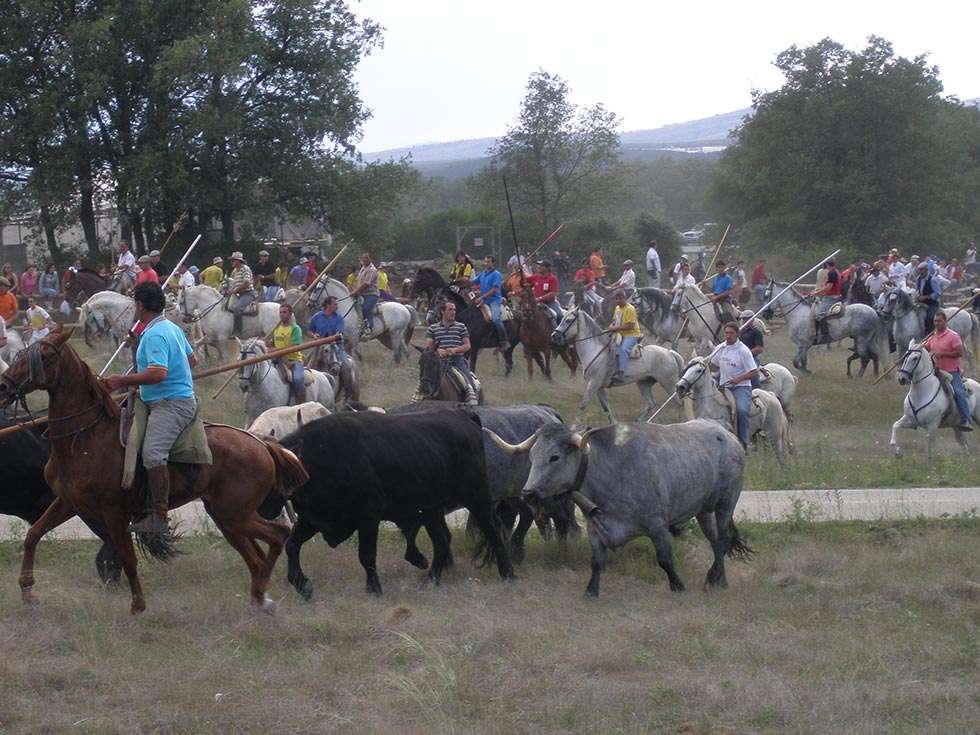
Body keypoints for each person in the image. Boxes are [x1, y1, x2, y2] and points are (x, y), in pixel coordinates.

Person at [102, 282, 197, 535]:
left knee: (153, 453)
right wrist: (137, 345)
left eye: (135, 303)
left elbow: (157, 373)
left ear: (140, 305)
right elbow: (192, 360)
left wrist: (121, 381)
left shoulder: (155, 334)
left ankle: (159, 516)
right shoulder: (168, 328)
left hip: (171, 404)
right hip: (159, 399)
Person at [708, 322, 759, 449]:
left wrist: (738, 379)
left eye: (731, 333)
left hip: (741, 387)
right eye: (726, 333)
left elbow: (754, 372)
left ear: (737, 334)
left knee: (741, 410)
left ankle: (743, 442)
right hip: (723, 387)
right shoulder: (720, 348)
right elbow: (713, 364)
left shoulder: (743, 351)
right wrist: (702, 366)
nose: (728, 336)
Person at [926, 311, 974, 431]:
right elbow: (927, 347)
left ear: (945, 321)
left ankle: (966, 419)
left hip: (951, 371)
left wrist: (942, 354)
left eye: (939, 321)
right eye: (935, 321)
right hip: (936, 370)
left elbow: (959, 352)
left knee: (958, 392)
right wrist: (918, 347)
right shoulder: (933, 336)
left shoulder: (953, 336)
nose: (936, 323)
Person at [424, 300, 477, 405]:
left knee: (469, 383)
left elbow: (467, 345)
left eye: (454, 310)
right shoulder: (433, 328)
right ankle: (417, 401)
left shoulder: (461, 327)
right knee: (425, 380)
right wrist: (438, 351)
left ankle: (472, 405)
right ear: (443, 311)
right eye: (450, 309)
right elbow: (429, 347)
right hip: (439, 361)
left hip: (457, 360)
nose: (453, 312)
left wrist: (455, 350)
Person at [271, 303, 306, 404]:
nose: (282, 314)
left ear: (290, 314)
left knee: (298, 380)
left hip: (294, 361)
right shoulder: (276, 329)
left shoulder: (295, 329)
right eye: (280, 312)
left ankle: (301, 403)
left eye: (284, 312)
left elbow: (294, 347)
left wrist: (276, 350)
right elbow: (272, 343)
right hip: (277, 360)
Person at [472, 255, 506, 345]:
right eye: (485, 261)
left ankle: (504, 341)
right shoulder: (483, 273)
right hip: (484, 301)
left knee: (496, 320)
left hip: (494, 301)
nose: (486, 263)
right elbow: (473, 282)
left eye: (489, 262)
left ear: (493, 263)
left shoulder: (497, 274)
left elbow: (494, 290)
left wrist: (481, 297)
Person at [609, 290, 641, 384]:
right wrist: (611, 326)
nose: (617, 301)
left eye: (619, 299)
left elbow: (630, 325)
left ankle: (621, 373)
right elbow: (615, 320)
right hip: (620, 333)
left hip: (632, 334)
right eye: (616, 299)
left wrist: (615, 328)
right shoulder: (617, 308)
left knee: (623, 349)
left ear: (624, 298)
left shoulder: (630, 309)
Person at [810, 259, 841, 344]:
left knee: (819, 315)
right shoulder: (837, 272)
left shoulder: (831, 273)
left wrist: (816, 293)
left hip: (831, 297)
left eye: (826, 266)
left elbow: (828, 287)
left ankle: (825, 334)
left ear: (827, 265)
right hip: (834, 296)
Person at [225, 251, 255, 337]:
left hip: (248, 293)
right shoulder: (235, 271)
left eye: (233, 261)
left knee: (237, 308)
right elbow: (234, 283)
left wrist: (235, 290)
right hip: (239, 294)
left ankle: (238, 331)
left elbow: (247, 283)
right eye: (231, 261)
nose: (231, 262)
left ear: (238, 261)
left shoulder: (245, 268)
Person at [350, 252, 379, 334]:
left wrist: (355, 291)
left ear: (370, 259)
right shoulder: (362, 268)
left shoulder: (372, 270)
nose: (364, 260)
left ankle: (369, 327)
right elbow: (359, 282)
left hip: (371, 294)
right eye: (363, 258)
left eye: (366, 258)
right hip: (361, 294)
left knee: (366, 308)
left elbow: (366, 284)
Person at [738, 310, 765, 388]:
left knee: (753, 373)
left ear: (752, 319)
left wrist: (746, 354)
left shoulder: (756, 332)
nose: (744, 321)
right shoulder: (740, 332)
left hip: (751, 359)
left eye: (746, 319)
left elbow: (759, 349)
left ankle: (756, 388)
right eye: (743, 319)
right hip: (737, 358)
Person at [914, 261, 942, 334]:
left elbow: (938, 293)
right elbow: (917, 290)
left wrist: (927, 297)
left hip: (931, 304)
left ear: (926, 270)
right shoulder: (918, 279)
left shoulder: (932, 279)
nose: (920, 272)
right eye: (919, 270)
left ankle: (931, 334)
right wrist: (917, 295)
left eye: (921, 270)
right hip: (920, 303)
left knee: (930, 318)